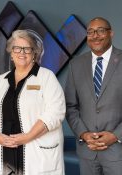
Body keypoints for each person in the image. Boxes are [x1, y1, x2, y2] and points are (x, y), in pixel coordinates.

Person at [0, 29, 66, 175]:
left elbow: (55, 112)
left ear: (34, 53)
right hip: (6, 154)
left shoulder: (46, 77)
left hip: (37, 153)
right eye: (17, 48)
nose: (22, 52)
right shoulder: (2, 80)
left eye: (27, 48)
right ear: (11, 52)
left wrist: (28, 136)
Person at [65, 17, 122, 175]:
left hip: (118, 151)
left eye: (100, 30)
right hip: (87, 151)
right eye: (90, 32)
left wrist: (115, 135)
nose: (95, 35)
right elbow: (71, 106)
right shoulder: (75, 64)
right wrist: (83, 134)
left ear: (111, 33)